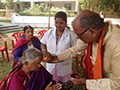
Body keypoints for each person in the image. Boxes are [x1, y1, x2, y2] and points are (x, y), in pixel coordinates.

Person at [43, 10, 120, 90]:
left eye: (79, 35)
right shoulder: (94, 33)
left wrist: (86, 82)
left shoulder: (117, 45)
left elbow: (117, 83)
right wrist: (55, 58)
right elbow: (74, 50)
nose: (78, 38)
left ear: (92, 32)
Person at [41, 11, 77, 89]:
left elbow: (75, 50)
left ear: (66, 23)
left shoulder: (71, 35)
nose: (58, 25)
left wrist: (64, 57)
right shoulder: (49, 33)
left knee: (63, 86)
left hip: (64, 65)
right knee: (51, 85)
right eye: (56, 22)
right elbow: (43, 43)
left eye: (61, 23)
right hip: (51, 65)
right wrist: (44, 51)